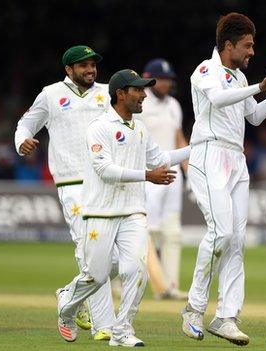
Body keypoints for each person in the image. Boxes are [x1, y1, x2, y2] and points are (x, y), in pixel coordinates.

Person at [56, 69, 190, 346]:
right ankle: (67, 304)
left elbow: (161, 158)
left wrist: (198, 147)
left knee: (136, 270)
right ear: (120, 93)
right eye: (138, 90)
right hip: (100, 213)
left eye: (143, 90)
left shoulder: (139, 129)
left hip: (133, 211)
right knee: (96, 276)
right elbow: (104, 169)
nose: (143, 95)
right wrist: (147, 176)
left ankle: (122, 330)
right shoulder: (99, 127)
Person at [180, 12, 266, 346]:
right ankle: (193, 309)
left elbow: (256, 116)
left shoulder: (236, 77)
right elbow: (217, 100)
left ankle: (226, 317)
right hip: (208, 154)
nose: (252, 52)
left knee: (235, 240)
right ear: (229, 45)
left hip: (236, 159)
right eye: (247, 46)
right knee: (220, 233)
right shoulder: (206, 71)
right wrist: (260, 85)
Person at [13, 45, 116, 341]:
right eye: (83, 65)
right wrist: (23, 142)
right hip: (72, 185)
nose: (90, 70)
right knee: (92, 253)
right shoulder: (51, 94)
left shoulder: (108, 93)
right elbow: (26, 124)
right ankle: (104, 326)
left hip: (106, 183)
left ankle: (71, 295)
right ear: (68, 70)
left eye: (92, 64)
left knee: (118, 259)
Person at [140, 58, 190, 300]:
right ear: (148, 77)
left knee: (172, 233)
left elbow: (179, 138)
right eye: (161, 79)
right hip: (148, 175)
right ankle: (125, 282)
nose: (166, 84)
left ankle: (169, 286)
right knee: (145, 232)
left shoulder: (174, 105)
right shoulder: (140, 103)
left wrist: (191, 173)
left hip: (173, 174)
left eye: (169, 80)